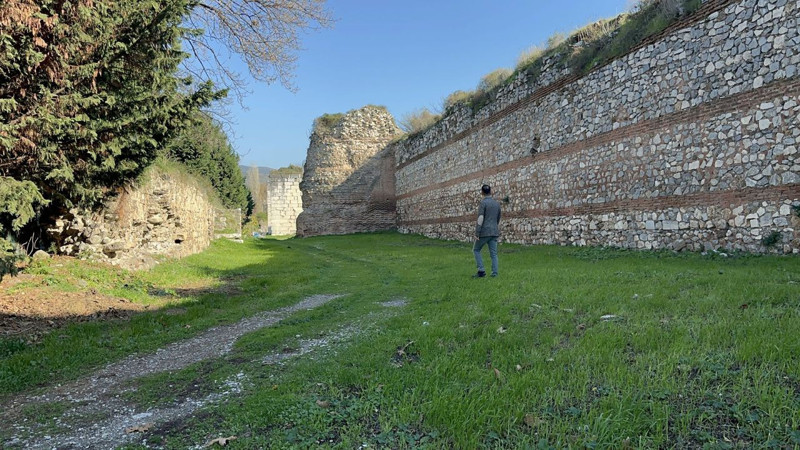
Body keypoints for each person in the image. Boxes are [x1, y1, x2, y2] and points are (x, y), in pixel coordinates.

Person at [473, 184, 501, 278]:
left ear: (482, 192)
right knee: (494, 254)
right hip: (494, 231)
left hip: (484, 232)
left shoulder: (483, 203)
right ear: (491, 191)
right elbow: (498, 218)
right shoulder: (497, 204)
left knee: (476, 250)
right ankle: (495, 274)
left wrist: (477, 232)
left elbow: (480, 218)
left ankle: (481, 271)